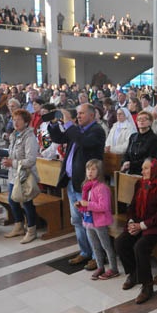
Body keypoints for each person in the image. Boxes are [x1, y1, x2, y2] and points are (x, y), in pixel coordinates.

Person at [49, 103, 106, 270]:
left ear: (91, 115)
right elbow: (59, 138)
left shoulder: (96, 131)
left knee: (90, 222)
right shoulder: (77, 130)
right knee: (77, 221)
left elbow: (83, 143)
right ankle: (85, 252)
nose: (78, 116)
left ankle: (97, 256)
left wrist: (68, 123)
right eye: (77, 113)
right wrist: (54, 123)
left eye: (81, 113)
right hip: (72, 183)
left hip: (86, 185)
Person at [114, 158, 157, 304]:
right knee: (120, 243)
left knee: (140, 247)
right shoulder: (141, 183)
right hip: (141, 223)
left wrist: (141, 226)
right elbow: (132, 206)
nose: (142, 172)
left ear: (155, 169)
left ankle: (147, 285)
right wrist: (131, 222)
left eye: (146, 168)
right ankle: (133, 273)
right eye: (143, 168)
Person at [77, 159, 119, 280]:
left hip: (100, 222)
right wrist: (81, 205)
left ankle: (114, 269)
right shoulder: (87, 186)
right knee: (95, 247)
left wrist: (87, 204)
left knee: (106, 246)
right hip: (89, 222)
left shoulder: (102, 188)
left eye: (93, 169)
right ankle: (100, 267)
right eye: (88, 169)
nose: (90, 172)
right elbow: (87, 203)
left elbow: (104, 207)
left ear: (99, 172)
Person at [1, 109, 39, 243]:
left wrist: (13, 163)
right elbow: (12, 154)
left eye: (19, 120)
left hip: (25, 175)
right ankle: (18, 226)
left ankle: (31, 230)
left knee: (27, 203)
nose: (15, 122)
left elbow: (30, 160)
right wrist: (7, 161)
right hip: (14, 174)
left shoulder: (30, 137)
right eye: (14, 119)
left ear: (26, 122)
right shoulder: (14, 135)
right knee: (12, 200)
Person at [121, 111, 157, 175]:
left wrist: (131, 164)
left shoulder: (154, 138)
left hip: (144, 172)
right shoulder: (133, 136)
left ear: (150, 122)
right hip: (130, 171)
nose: (141, 121)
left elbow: (150, 158)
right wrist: (125, 162)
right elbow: (127, 153)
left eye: (145, 119)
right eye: (139, 119)